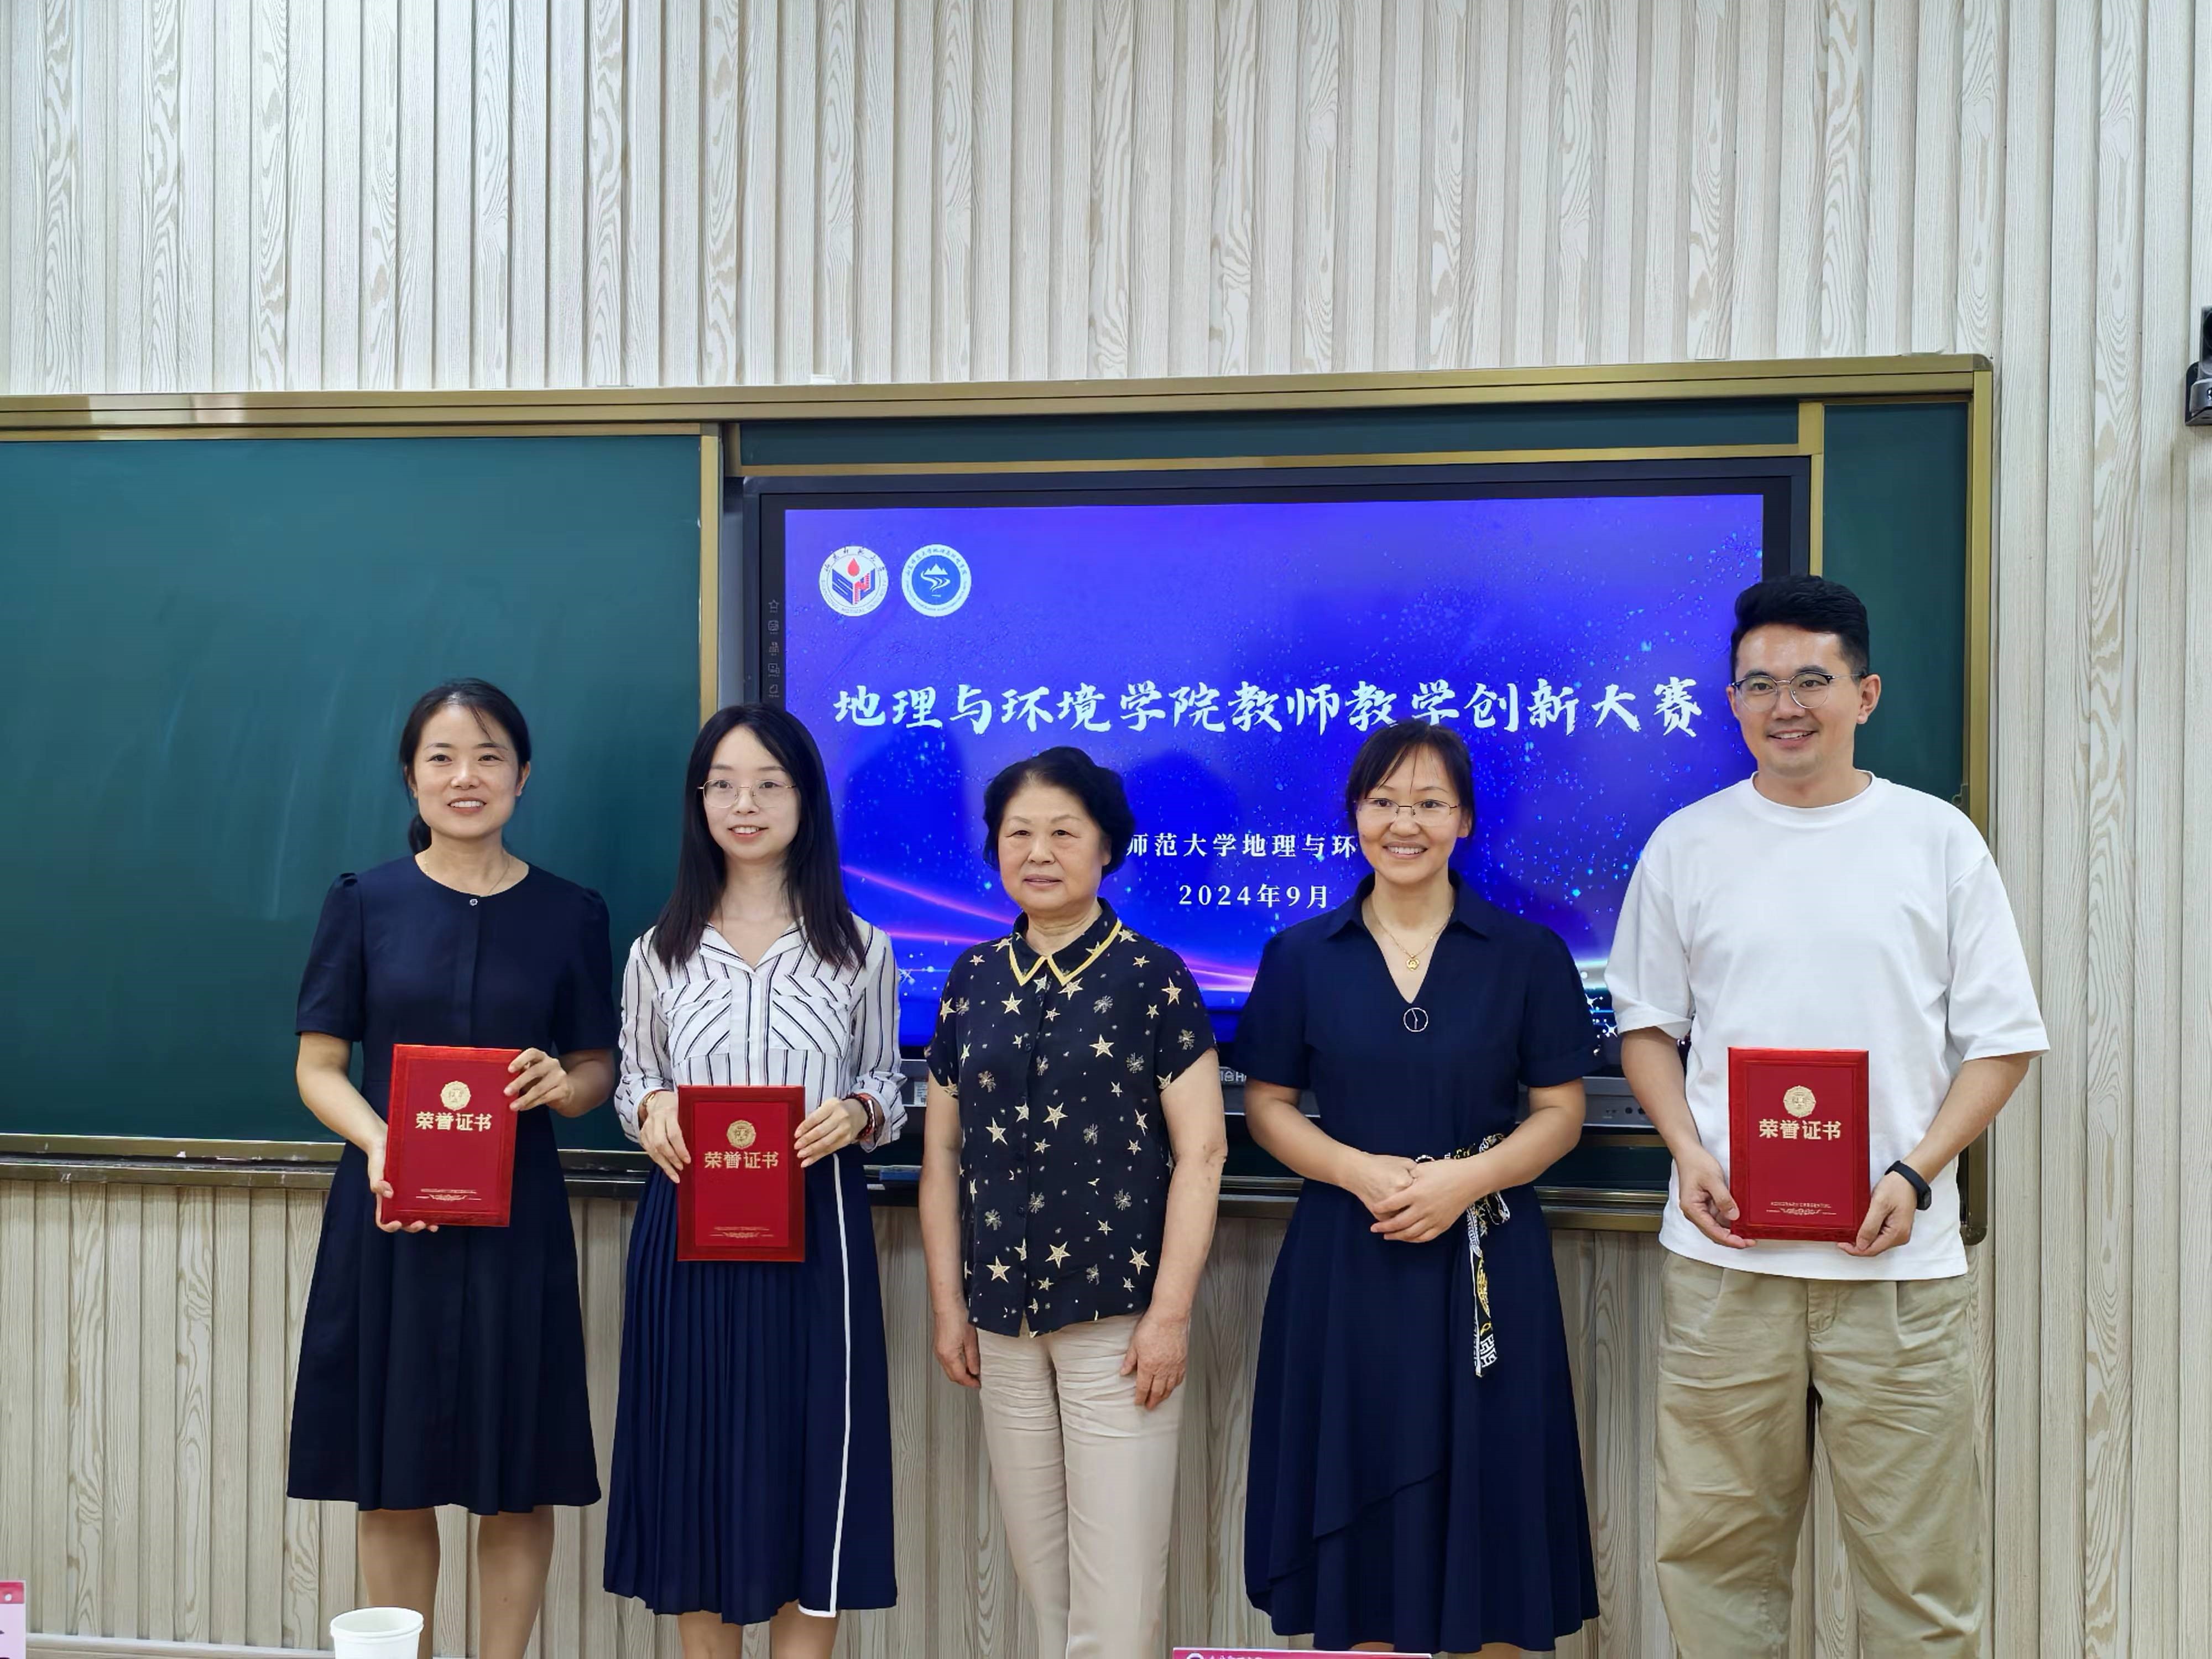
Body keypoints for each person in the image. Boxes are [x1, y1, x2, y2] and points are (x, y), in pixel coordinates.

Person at [1607, 574, 2047, 1654]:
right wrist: (1685, 1150)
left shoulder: (1936, 841)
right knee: (1714, 1563)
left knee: (1920, 1576)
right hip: (1727, 1268)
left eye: (1811, 680)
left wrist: (1916, 1171)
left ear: (1865, 694)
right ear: (1731, 701)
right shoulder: (1685, 845)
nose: (1785, 706)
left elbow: (2001, 1042)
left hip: (1895, 1271)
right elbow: (1646, 1028)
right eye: (1759, 685)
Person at [1238, 719, 1601, 1656]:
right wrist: (1357, 1171)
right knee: (1358, 1508)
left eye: (1430, 803)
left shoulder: (1526, 952)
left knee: (1494, 1503)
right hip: (1346, 1256)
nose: (1405, 823)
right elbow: (1268, 1106)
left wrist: (1464, 1181)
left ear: (1465, 820)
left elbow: (1561, 1112)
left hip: (1488, 1259)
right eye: (1384, 802)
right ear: (1355, 814)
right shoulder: (1301, 954)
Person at [289, 679, 617, 1659]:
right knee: (391, 1478)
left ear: (523, 776)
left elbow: (597, 1068)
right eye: (442, 757)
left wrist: (565, 1084)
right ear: (412, 776)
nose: (464, 776)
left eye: (487, 757)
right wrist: (383, 1144)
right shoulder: (364, 902)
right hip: (392, 1217)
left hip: (519, 1224)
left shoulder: (571, 912)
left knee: (515, 1477)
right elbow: (318, 1067)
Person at [602, 705, 904, 1659]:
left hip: (818, 1225)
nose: (746, 804)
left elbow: (888, 1080)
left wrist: (860, 1112)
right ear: (699, 802)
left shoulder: (861, 947)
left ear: (805, 801)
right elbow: (633, 1080)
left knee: (811, 1459)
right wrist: (651, 1107)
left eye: (770, 784)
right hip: (690, 1221)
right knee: (695, 1459)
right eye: (724, 785)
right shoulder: (658, 951)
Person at [918, 746, 1228, 1659]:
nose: (1039, 852)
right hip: (1001, 1325)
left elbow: (1204, 1151)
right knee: (1044, 1593)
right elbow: (941, 1153)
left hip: (1119, 1322)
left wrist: (1170, 1316)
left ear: (1106, 848)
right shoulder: (972, 978)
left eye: (1064, 832)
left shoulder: (1152, 976)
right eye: (1018, 833)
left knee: (1116, 1608)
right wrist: (949, 1308)